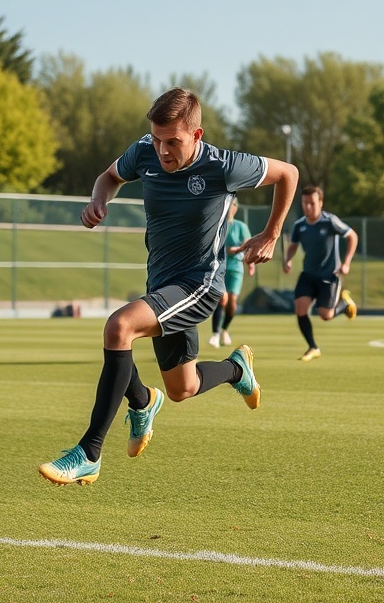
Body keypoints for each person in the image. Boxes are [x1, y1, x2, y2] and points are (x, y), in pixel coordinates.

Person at [39, 87, 299, 485]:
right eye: (157, 139)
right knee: (182, 387)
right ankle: (227, 372)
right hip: (162, 285)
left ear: (196, 136)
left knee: (119, 327)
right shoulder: (144, 151)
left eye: (172, 141)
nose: (162, 150)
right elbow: (109, 177)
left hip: (199, 286)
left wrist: (270, 234)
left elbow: (288, 174)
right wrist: (99, 200)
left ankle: (89, 452)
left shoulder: (224, 166)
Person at [282, 185, 358, 362]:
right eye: (305, 203)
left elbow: (352, 236)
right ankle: (313, 347)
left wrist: (346, 263)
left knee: (326, 315)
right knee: (300, 309)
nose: (308, 207)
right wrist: (288, 259)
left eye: (312, 203)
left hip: (329, 276)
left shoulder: (330, 221)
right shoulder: (299, 225)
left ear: (320, 203)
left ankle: (345, 305)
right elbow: (293, 246)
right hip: (308, 275)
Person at [208, 197, 255, 348]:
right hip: (219, 268)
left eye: (232, 204)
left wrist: (249, 261)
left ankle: (224, 330)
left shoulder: (240, 226)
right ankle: (215, 334)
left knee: (232, 302)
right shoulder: (218, 225)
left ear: (235, 207)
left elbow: (248, 245)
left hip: (236, 267)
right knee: (222, 299)